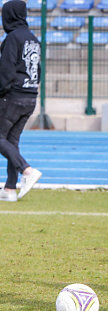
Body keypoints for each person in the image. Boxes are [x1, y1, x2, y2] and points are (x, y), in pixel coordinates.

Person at [0, 0, 42, 202]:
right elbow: (38, 70)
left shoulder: (12, 38)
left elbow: (6, 72)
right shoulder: (33, 39)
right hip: (31, 96)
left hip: (14, 96)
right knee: (11, 142)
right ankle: (9, 189)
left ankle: (27, 170)